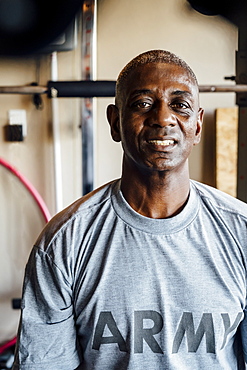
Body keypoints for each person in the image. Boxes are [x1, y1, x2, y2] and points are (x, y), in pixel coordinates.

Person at [12, 49, 247, 370]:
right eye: (142, 104)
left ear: (198, 125)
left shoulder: (241, 231)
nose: (163, 118)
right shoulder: (65, 242)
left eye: (180, 105)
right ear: (115, 122)